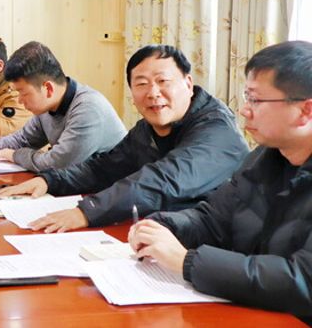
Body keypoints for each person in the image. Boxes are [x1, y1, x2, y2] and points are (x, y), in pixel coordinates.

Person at [129, 41, 312, 322]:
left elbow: (301, 280)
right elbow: (213, 219)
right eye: (246, 97)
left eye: (256, 100)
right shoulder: (264, 157)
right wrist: (163, 226)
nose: (245, 110)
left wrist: (187, 262)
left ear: (306, 111)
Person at [0, 44, 249, 233]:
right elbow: (104, 167)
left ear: (188, 84)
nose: (153, 93)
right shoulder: (147, 128)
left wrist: (87, 212)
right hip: (161, 233)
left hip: (225, 245)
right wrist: (49, 181)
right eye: (141, 84)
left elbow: (163, 180)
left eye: (163, 81)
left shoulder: (216, 130)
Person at [0, 41, 126, 171]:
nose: (20, 101)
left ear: (48, 88)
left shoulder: (88, 108)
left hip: (111, 190)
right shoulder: (47, 108)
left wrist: (14, 155)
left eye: (23, 93)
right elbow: (22, 139)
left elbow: (57, 163)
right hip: (81, 184)